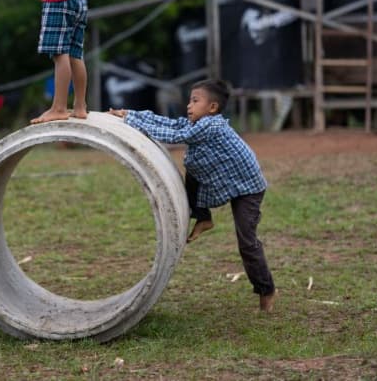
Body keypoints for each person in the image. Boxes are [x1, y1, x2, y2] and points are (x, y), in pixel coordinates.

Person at [108, 79, 277, 312]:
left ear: (213, 108)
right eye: (189, 100)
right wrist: (131, 114)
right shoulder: (197, 123)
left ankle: (266, 289)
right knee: (193, 166)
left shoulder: (211, 126)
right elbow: (170, 123)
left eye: (195, 101)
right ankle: (203, 217)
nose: (189, 105)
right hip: (225, 177)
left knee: (247, 242)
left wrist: (130, 121)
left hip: (248, 187)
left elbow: (173, 135)